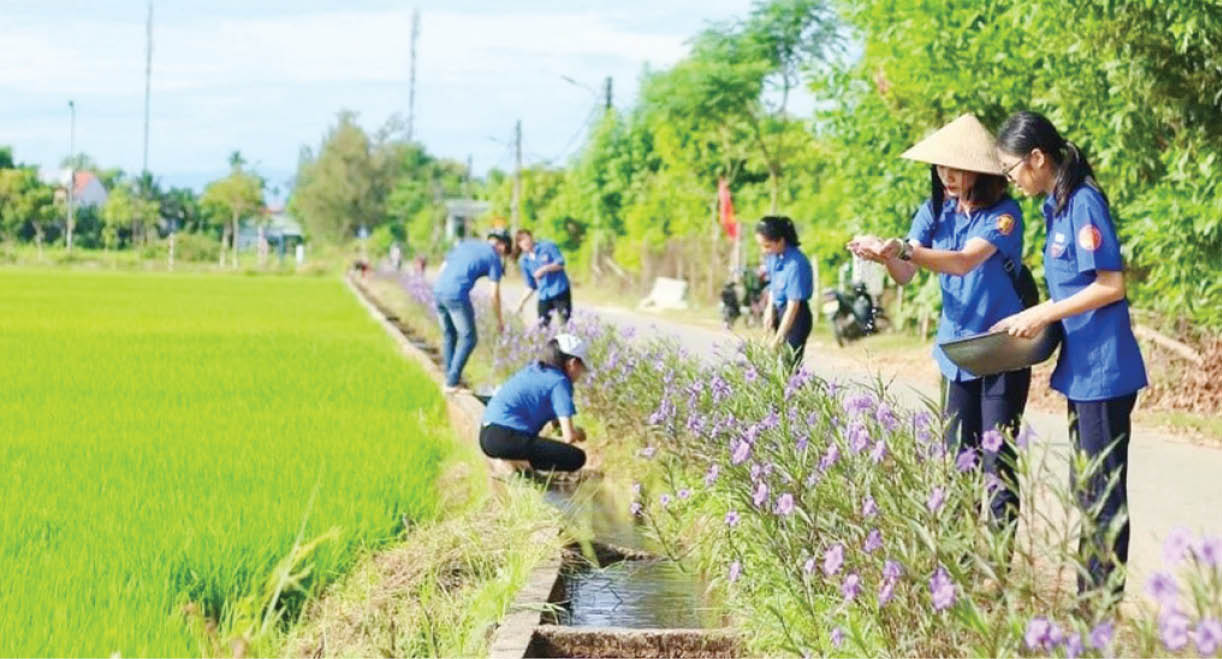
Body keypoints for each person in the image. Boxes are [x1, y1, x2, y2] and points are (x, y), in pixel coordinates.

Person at [992, 110, 1147, 598]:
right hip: (1081, 370)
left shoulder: (1083, 203)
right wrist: (1030, 318)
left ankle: (1098, 609)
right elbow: (1071, 289)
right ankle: (1089, 597)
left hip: (1105, 370)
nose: (1012, 180)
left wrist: (1042, 314)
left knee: (1102, 493)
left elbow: (1110, 285)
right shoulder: (1056, 207)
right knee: (1088, 488)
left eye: (1013, 169)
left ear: (1037, 158)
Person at [848, 114, 1030, 528]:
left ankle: (997, 569)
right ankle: (961, 564)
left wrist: (903, 251)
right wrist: (886, 254)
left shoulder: (1004, 215)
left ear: (980, 170)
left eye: (956, 167)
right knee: (958, 459)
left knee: (996, 462)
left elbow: (964, 262)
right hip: (956, 351)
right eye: (940, 166)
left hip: (1001, 348)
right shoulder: (933, 211)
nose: (946, 174)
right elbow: (907, 274)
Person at [480, 334, 589, 472]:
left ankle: (516, 462)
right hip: (505, 438)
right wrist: (577, 433)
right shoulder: (560, 382)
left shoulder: (535, 369)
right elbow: (568, 437)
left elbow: (558, 426)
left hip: (487, 434)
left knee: (542, 447)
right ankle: (518, 465)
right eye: (582, 368)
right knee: (577, 457)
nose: (581, 374)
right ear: (572, 363)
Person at [433, 232, 511, 394]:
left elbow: (442, 269)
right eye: (505, 253)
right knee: (469, 338)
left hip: (438, 290)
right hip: (456, 295)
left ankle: (449, 379)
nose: (503, 256)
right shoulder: (493, 256)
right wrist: (499, 320)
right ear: (502, 246)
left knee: (449, 335)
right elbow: (494, 294)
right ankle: (452, 381)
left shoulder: (465, 244)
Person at [756, 216, 814, 370]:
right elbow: (774, 285)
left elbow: (793, 306)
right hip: (780, 310)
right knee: (774, 365)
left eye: (767, 246)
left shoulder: (796, 263)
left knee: (788, 368)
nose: (764, 250)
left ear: (780, 241)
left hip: (795, 317)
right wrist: (769, 311)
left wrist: (778, 339)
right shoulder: (774, 257)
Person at [513, 229, 572, 327]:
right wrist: (521, 304)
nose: (524, 242)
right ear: (519, 245)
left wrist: (545, 269)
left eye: (525, 238)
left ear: (531, 237)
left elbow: (561, 263)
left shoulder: (547, 246)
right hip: (544, 295)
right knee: (542, 326)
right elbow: (531, 286)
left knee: (565, 323)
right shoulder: (524, 261)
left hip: (559, 290)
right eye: (520, 241)